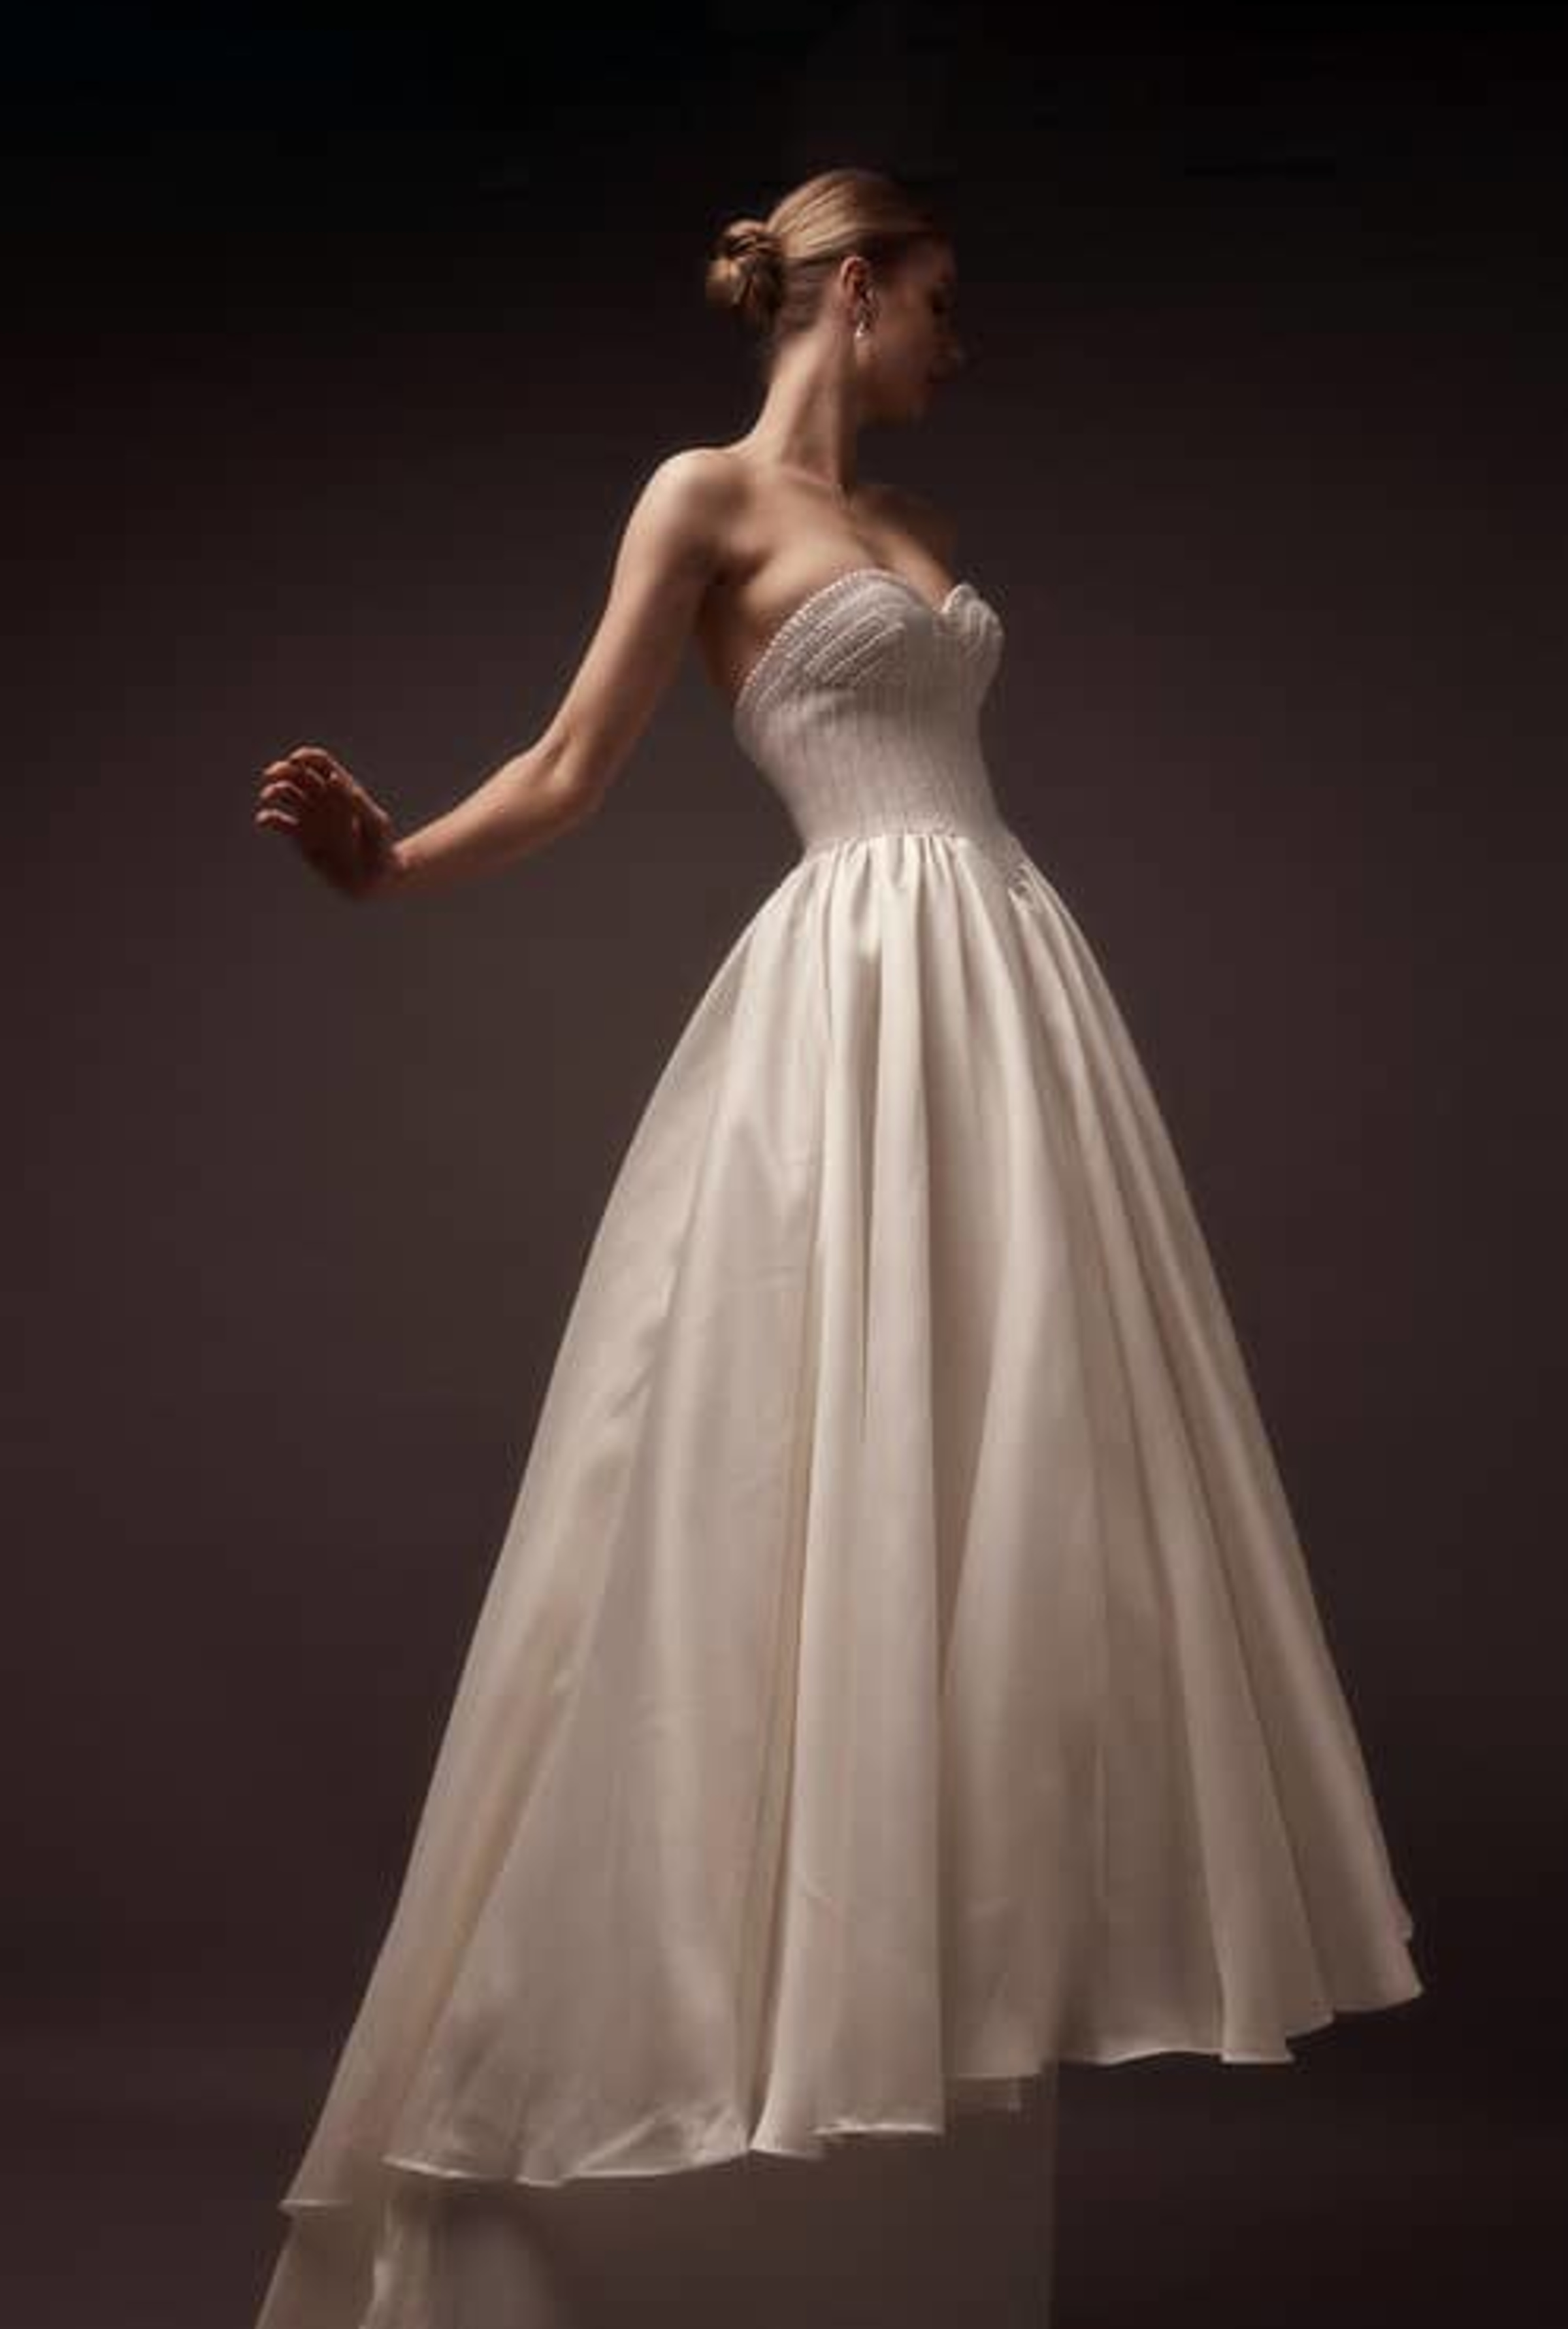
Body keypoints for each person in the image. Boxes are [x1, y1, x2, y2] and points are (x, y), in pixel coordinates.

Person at [249, 167, 1423, 2328]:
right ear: (855, 288)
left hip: (1009, 991)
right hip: (851, 986)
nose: (951, 353)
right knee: (792, 1464)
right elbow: (571, 760)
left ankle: (918, 2017)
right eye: (937, 308)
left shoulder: (935, 547)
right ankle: (725, 2050)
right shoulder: (700, 498)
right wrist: (387, 862)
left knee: (998, 1464)